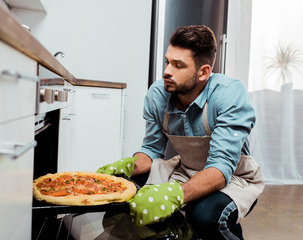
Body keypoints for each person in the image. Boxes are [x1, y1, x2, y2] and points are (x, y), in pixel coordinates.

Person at [97, 25, 264, 240]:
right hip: (185, 170)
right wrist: (129, 166)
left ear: (203, 72)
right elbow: (151, 149)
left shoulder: (228, 94)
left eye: (178, 65)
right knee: (121, 195)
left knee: (204, 215)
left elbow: (221, 166)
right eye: (167, 61)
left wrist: (175, 195)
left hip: (233, 178)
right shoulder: (158, 94)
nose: (167, 71)